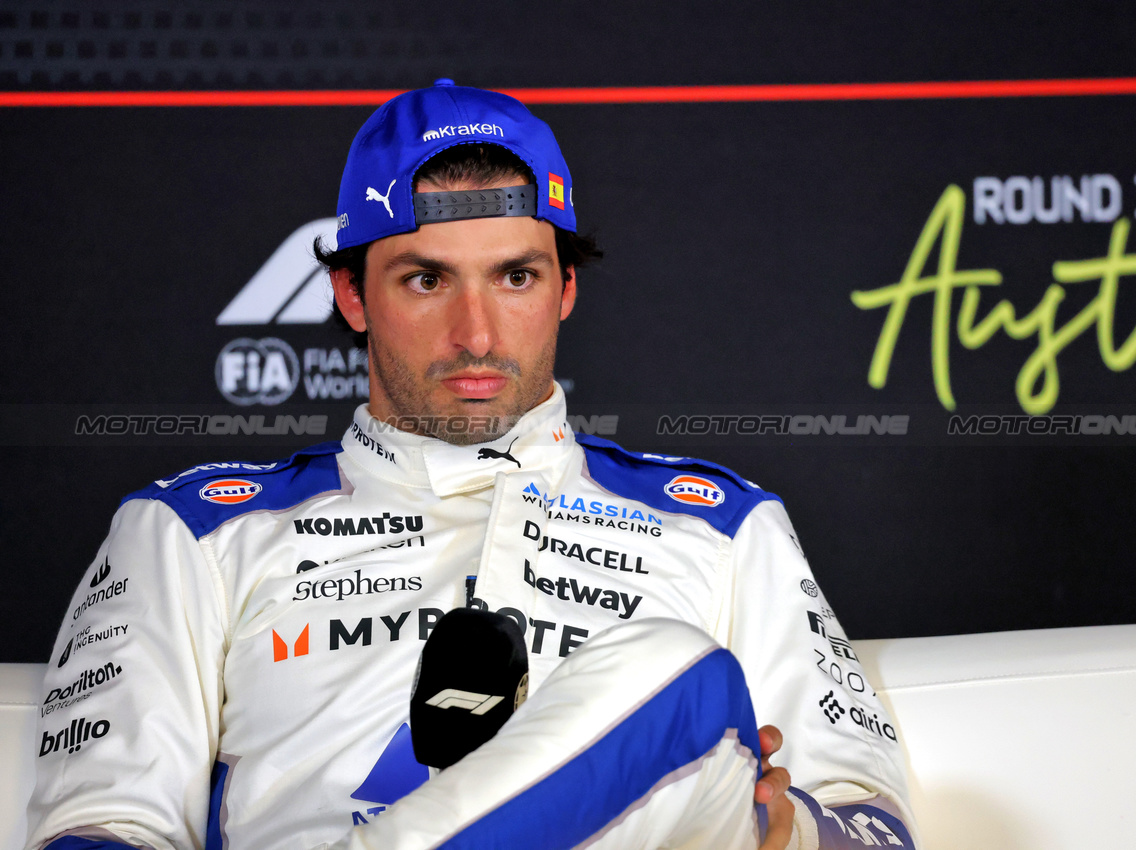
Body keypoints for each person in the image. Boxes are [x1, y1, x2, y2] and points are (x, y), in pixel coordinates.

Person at [26, 80, 918, 850]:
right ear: (350, 294)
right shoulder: (193, 530)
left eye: (515, 277)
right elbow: (103, 824)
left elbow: (870, 826)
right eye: (426, 280)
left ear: (565, 288)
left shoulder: (724, 525)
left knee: (681, 685)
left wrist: (778, 823)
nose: (477, 335)